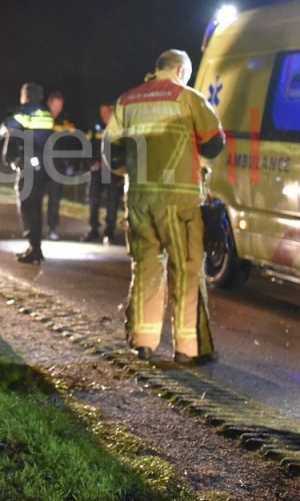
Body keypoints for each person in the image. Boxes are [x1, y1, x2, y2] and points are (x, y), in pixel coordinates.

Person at [105, 49, 225, 364]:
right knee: (185, 270)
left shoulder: (127, 100)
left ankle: (143, 342)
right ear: (181, 71)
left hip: (140, 198)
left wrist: (133, 172)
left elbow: (112, 153)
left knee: (145, 267)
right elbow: (215, 141)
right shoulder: (189, 99)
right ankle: (188, 349)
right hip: (180, 200)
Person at [0, 82, 55, 263]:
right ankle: (36, 247)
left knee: (26, 205)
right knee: (36, 207)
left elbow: (6, 129)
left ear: (27, 95)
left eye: (22, 94)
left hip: (28, 166)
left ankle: (34, 247)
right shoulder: (46, 113)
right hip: (43, 167)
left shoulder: (24, 112)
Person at [84, 102, 125, 244]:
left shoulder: (119, 129)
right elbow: (88, 147)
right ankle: (93, 229)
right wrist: (91, 163)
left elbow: (123, 150)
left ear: (112, 111)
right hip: (97, 171)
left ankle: (110, 231)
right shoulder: (96, 129)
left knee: (112, 201)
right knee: (93, 199)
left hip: (113, 171)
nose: (103, 116)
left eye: (106, 113)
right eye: (102, 113)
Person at [45, 91, 78, 240]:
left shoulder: (64, 122)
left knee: (54, 197)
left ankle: (52, 228)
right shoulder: (42, 118)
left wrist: (69, 163)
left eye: (60, 106)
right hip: (41, 162)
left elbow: (72, 139)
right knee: (35, 196)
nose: (58, 108)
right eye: (55, 105)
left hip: (57, 164)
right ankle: (34, 227)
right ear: (49, 103)